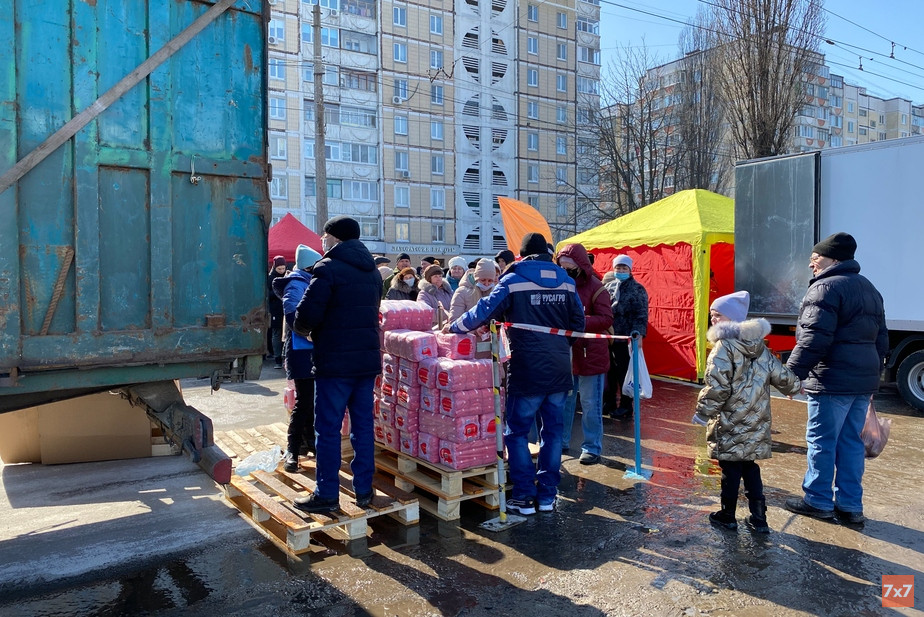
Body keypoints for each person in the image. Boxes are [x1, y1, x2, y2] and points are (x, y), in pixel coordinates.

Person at [446, 233, 584, 515]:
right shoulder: (567, 281)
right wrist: (558, 347)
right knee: (554, 434)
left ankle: (523, 496)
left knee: (517, 433)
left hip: (527, 368)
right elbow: (578, 325)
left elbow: (483, 312)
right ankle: (547, 496)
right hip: (559, 369)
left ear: (522, 254)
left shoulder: (513, 279)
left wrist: (453, 328)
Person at [784, 232, 888, 526]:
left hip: (832, 381)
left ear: (833, 259)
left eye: (815, 259)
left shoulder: (825, 288)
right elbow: (882, 340)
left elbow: (813, 340)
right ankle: (850, 506)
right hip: (860, 381)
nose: (811, 265)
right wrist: (872, 379)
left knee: (822, 442)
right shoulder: (869, 288)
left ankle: (817, 500)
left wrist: (791, 376)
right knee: (852, 444)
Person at [292, 216, 382, 513]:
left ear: (334, 238)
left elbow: (306, 314)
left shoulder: (327, 268)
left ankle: (327, 494)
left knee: (328, 429)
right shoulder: (373, 272)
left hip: (335, 363)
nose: (322, 240)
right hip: (366, 362)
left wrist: (302, 329)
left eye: (325, 236)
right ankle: (364, 491)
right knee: (363, 427)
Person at [693, 291, 801, 533]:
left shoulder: (723, 347)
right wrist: (795, 386)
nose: (713, 320)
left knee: (730, 469)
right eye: (712, 315)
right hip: (756, 420)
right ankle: (759, 519)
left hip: (730, 421)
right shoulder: (760, 346)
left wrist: (702, 412)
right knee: (750, 467)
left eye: (717, 315)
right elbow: (780, 373)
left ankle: (727, 515)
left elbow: (717, 386)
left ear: (731, 318)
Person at [556, 244, 613, 464]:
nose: (565, 269)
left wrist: (579, 322)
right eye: (562, 265)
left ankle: (592, 447)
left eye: (569, 266)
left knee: (590, 405)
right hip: (568, 354)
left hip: (591, 355)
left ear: (579, 265)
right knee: (566, 402)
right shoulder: (560, 284)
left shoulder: (597, 287)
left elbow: (607, 318)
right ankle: (562, 441)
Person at [273, 244, 322, 472]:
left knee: (312, 401)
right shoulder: (296, 284)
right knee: (304, 401)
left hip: (312, 349)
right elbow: (291, 313)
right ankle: (293, 450)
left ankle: (308, 443)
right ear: (309, 267)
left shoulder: (308, 282)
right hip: (301, 350)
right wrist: (308, 332)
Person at [603, 255, 648, 419]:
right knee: (609, 372)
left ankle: (626, 406)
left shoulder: (637, 289)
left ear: (630, 270)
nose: (620, 271)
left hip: (626, 338)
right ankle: (608, 402)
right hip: (608, 337)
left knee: (624, 372)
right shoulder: (608, 287)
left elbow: (641, 314)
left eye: (624, 268)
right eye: (618, 268)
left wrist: (638, 333)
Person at [267, 256, 288, 369]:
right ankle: (277, 358)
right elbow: (267, 295)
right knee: (276, 334)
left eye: (283, 268)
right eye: (279, 268)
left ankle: (284, 358)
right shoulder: (270, 278)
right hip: (275, 310)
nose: (281, 271)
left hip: (285, 309)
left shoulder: (288, 276)